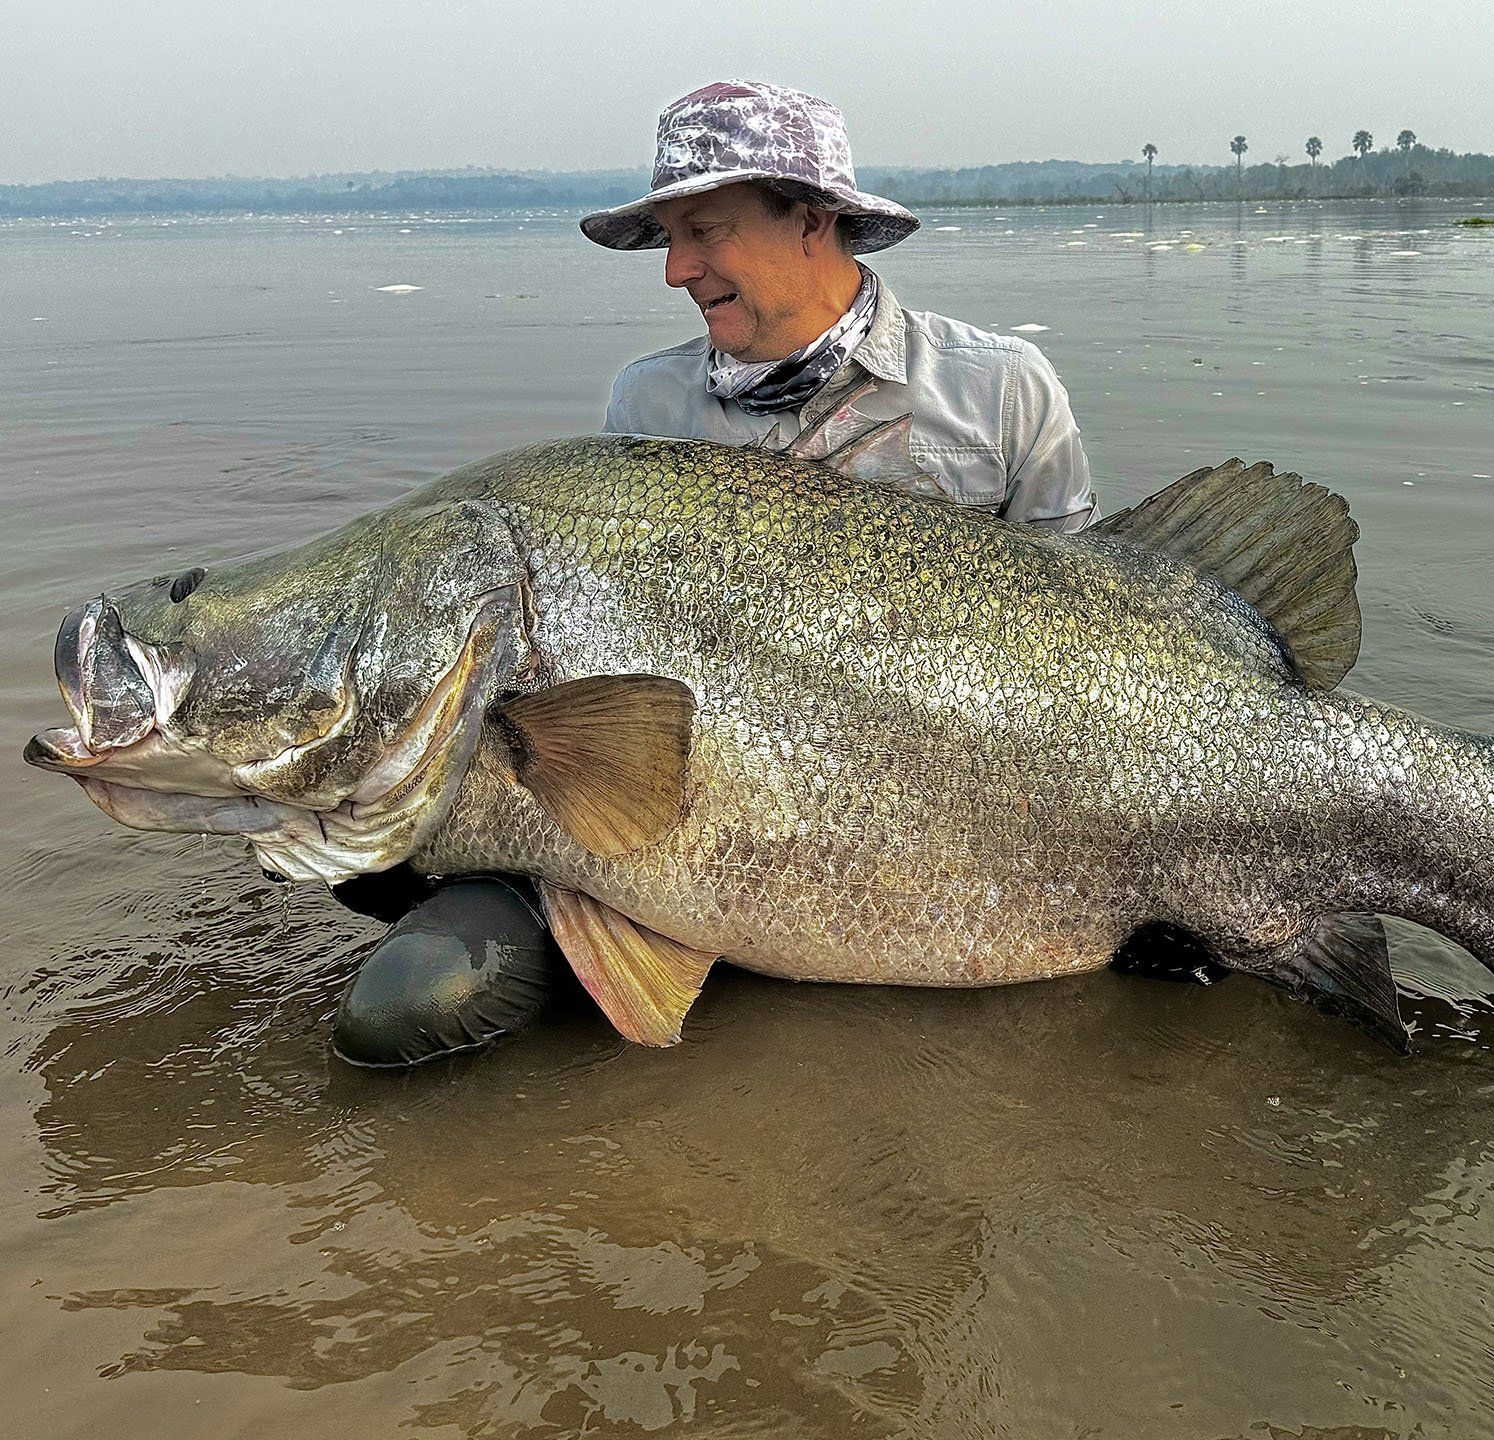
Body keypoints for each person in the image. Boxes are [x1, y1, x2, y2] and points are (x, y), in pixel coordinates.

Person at [331, 80, 1103, 1067]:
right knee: (407, 1007)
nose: (676, 270)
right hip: (679, 839)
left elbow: (1095, 645)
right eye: (666, 237)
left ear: (812, 221)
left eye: (705, 231)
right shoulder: (647, 406)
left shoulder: (1000, 392)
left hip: (937, 833)